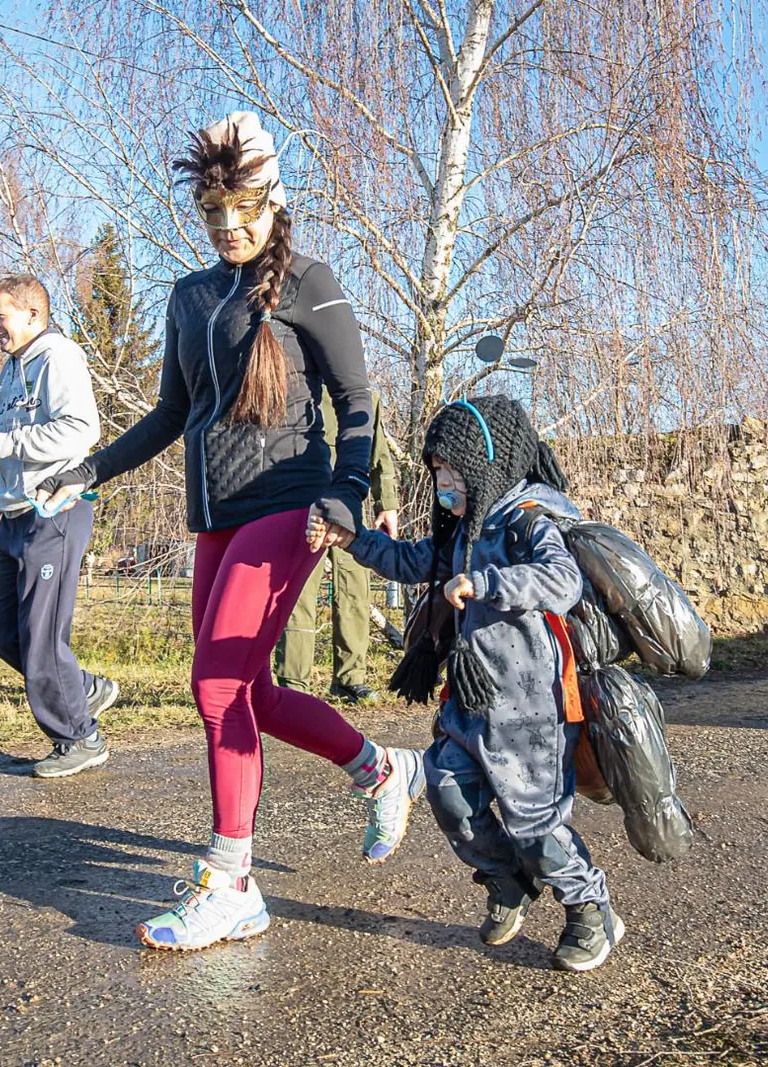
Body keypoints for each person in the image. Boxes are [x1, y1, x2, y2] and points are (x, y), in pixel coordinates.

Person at [35, 112, 424, 951]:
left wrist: (348, 492)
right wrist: (88, 470)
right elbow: (176, 413)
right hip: (213, 518)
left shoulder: (310, 281)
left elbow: (358, 401)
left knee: (215, 688)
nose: (227, 226)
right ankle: (380, 767)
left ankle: (231, 881)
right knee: (246, 691)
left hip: (291, 506)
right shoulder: (189, 295)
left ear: (272, 202)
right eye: (212, 212)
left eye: (242, 207)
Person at [308, 394, 625, 973]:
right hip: (472, 701)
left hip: (534, 712)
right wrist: (351, 539)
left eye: (451, 472)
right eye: (437, 475)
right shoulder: (461, 529)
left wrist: (487, 583)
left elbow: (562, 580)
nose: (443, 486)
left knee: (535, 828)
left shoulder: (531, 519)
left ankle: (589, 906)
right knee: (448, 792)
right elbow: (411, 561)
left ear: (486, 463)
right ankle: (506, 884)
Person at [0, 275, 119, 779]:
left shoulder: (58, 357)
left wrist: (3, 445)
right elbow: (23, 449)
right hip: (16, 515)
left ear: (33, 316)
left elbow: (80, 429)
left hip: (56, 511)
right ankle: (85, 689)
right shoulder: (12, 369)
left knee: (41, 637)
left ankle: (79, 737)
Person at [274, 390, 400, 703]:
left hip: (349, 510)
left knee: (355, 591)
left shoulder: (365, 396)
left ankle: (350, 679)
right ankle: (293, 683)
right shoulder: (296, 388)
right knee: (298, 596)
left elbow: (379, 453)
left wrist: (388, 504)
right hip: (302, 509)